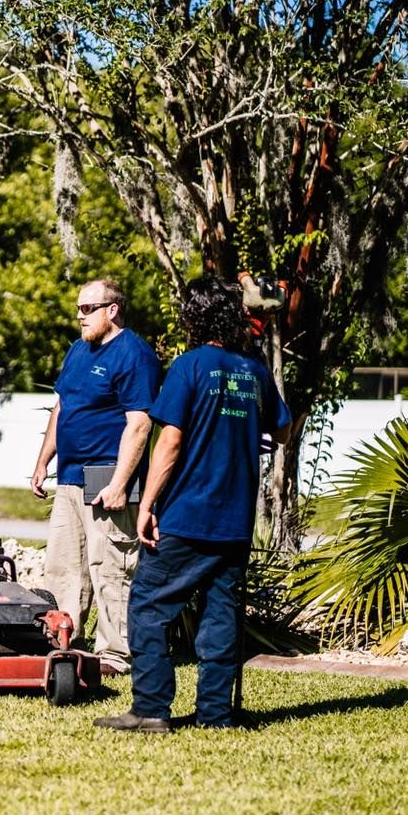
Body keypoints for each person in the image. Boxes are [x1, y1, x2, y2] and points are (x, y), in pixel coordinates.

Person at [94, 276, 291, 734]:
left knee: (147, 606)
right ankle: (216, 715)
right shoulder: (253, 371)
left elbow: (170, 443)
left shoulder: (190, 366)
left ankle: (150, 709)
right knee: (221, 617)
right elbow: (282, 433)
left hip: (187, 516)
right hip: (236, 521)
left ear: (195, 316)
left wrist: (148, 504)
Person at [30, 279, 160, 675]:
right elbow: (61, 407)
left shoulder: (134, 354)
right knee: (63, 565)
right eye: (79, 309)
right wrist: (42, 462)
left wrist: (120, 483)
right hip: (69, 474)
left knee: (111, 566)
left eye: (88, 309)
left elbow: (139, 424)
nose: (80, 316)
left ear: (112, 310)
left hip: (106, 473)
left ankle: (115, 654)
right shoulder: (78, 350)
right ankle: (65, 637)